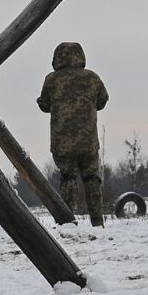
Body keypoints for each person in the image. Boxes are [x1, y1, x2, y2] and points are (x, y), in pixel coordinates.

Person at [39, 41, 107, 226]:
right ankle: (97, 221)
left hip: (62, 142)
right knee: (92, 179)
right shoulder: (92, 78)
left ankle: (68, 221)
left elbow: (44, 105)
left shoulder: (52, 80)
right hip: (88, 141)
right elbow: (102, 101)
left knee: (68, 178)